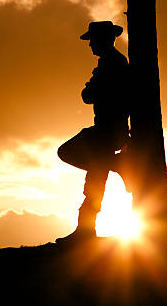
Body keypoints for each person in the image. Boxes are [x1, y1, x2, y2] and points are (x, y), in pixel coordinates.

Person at [56, 21, 130, 243]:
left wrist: (93, 88)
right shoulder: (111, 63)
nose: (90, 46)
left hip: (109, 130)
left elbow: (88, 95)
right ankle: (117, 164)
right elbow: (90, 95)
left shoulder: (113, 64)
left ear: (104, 40)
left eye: (93, 41)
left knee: (73, 157)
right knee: (95, 176)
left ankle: (85, 230)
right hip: (109, 131)